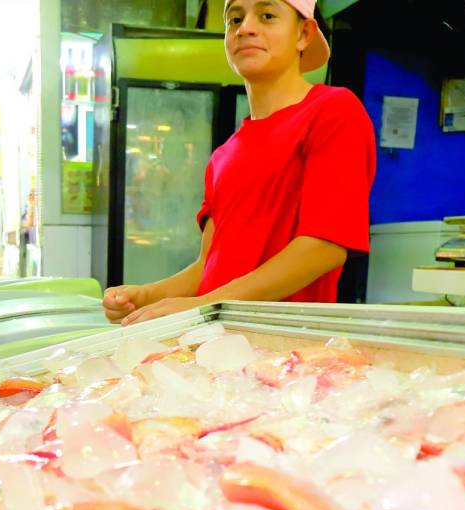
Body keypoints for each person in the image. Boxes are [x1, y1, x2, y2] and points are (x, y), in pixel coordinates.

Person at [102, 0, 375, 325]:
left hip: (285, 350)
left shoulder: (333, 111)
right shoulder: (223, 155)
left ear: (304, 33)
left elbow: (323, 246)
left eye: (267, 15)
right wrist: (146, 296)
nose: (245, 27)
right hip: (217, 346)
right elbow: (209, 265)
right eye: (234, 19)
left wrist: (204, 305)